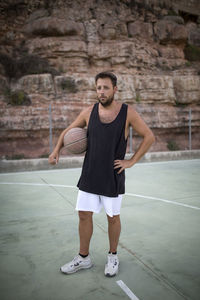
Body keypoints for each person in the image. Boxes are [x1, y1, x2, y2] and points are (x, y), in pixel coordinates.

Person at [48, 71, 155, 277]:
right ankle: (83, 258)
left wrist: (131, 161)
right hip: (90, 174)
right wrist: (56, 150)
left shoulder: (127, 112)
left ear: (115, 89)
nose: (102, 91)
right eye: (98, 88)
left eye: (106, 87)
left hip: (112, 175)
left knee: (113, 218)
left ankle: (113, 256)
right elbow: (67, 132)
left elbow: (149, 136)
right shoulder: (89, 112)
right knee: (83, 215)